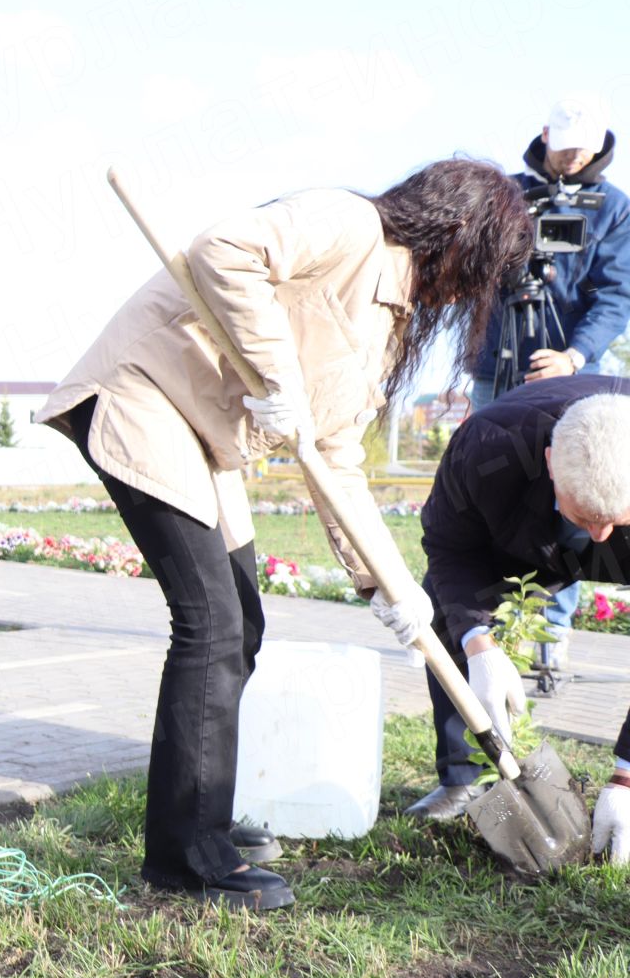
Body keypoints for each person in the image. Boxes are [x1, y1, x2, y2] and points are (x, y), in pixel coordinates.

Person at [38, 160, 533, 910]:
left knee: (242, 624)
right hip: (145, 394)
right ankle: (185, 859)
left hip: (202, 436)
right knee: (210, 625)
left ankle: (201, 828)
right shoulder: (347, 223)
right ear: (462, 233)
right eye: (483, 272)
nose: (473, 294)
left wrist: (397, 593)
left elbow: (335, 460)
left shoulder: (389, 327)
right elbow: (225, 250)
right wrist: (280, 380)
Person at [401, 375, 630, 868]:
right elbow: (449, 547)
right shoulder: (487, 449)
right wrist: (477, 641)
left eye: (612, 519)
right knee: (446, 611)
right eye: (586, 516)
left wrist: (626, 775)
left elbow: (605, 522)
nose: (599, 532)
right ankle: (460, 780)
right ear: (550, 461)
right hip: (518, 533)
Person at [467, 96, 630, 666]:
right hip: (497, 366)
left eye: (581, 148)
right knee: (490, 481)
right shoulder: (509, 194)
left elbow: (615, 295)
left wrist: (574, 355)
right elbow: (476, 280)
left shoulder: (613, 208)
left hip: (566, 372)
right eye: (562, 146)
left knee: (572, 494)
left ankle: (551, 633)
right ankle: (482, 618)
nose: (571, 157)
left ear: (599, 143)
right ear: (545, 136)